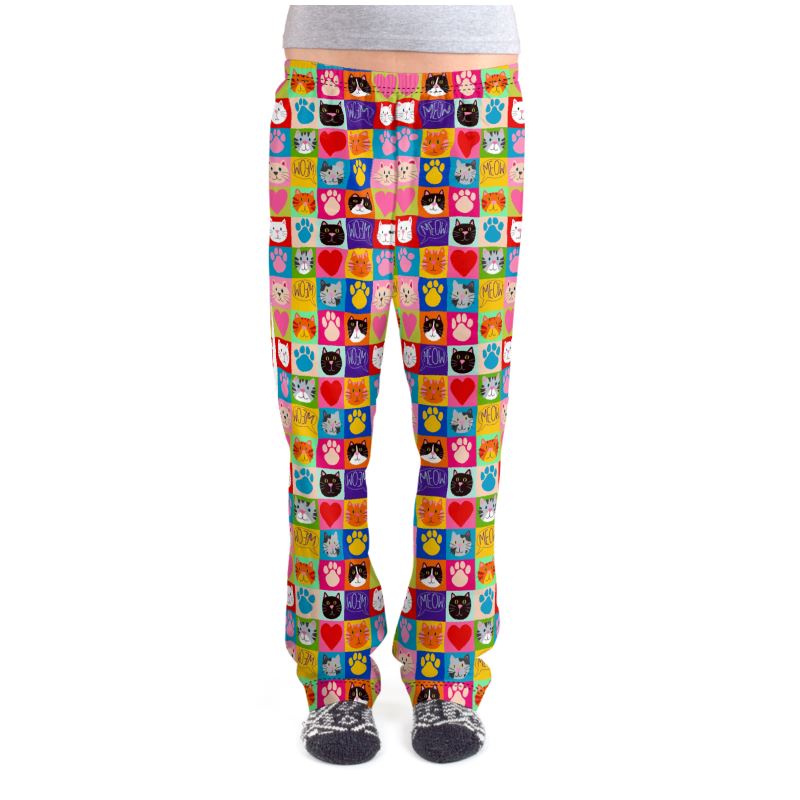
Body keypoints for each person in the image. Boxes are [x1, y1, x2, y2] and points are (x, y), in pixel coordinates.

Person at [268, 4, 525, 764]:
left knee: (466, 427)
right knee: (322, 424)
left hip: (474, 107)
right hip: (326, 106)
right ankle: (336, 681)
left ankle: (448, 674)